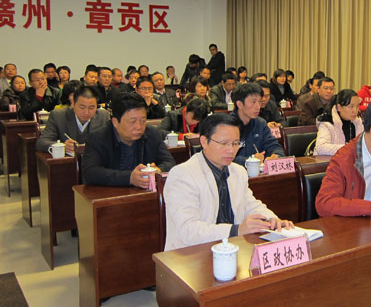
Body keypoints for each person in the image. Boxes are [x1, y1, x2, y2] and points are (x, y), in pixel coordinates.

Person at [163, 113, 293, 250]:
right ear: (204, 142)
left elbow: (250, 205)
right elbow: (188, 230)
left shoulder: (238, 171)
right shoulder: (183, 175)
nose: (231, 150)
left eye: (236, 143)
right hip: (191, 254)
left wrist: (271, 220)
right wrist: (236, 230)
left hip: (231, 248)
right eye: (224, 143)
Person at [82, 92, 175, 187]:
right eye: (132, 121)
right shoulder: (97, 138)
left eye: (143, 120)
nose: (139, 127)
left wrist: (159, 170)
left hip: (144, 193)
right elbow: (90, 172)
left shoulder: (152, 134)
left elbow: (170, 162)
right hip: (110, 193)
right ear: (115, 122)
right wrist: (129, 178)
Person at [36, 86, 110, 154]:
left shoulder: (103, 116)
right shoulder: (58, 116)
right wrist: (63, 146)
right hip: (68, 162)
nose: (86, 112)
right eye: (82, 107)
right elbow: (42, 142)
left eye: (91, 108)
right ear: (73, 104)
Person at [231, 83, 285, 165]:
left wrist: (276, 155)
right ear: (239, 104)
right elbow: (222, 156)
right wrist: (249, 160)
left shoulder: (261, 123)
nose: (258, 107)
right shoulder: (227, 126)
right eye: (253, 102)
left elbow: (273, 145)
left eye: (259, 102)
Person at [315, 89, 364, 156]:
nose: (355, 110)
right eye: (350, 107)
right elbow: (320, 147)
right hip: (329, 160)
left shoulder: (358, 122)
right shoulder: (327, 123)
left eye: (357, 106)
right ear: (339, 107)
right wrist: (349, 148)